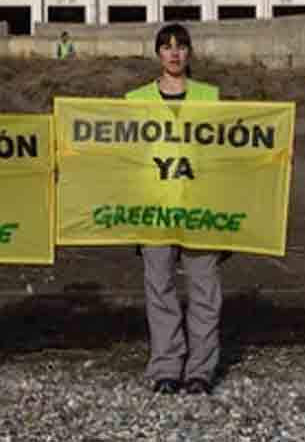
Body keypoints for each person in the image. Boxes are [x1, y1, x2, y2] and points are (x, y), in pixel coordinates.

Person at [126, 23, 224, 396]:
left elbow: (229, 150)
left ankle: (200, 369)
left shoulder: (209, 97)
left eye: (181, 46)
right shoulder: (135, 100)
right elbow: (122, 155)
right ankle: (166, 365)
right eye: (166, 47)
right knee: (160, 288)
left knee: (204, 289)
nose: (174, 53)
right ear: (157, 54)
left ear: (190, 52)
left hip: (201, 207)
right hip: (155, 207)